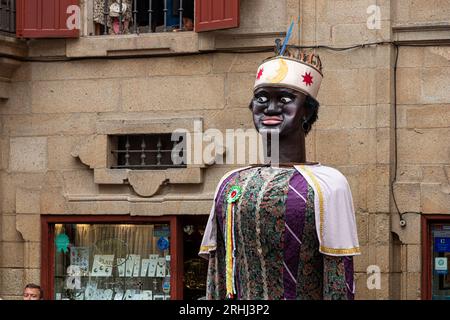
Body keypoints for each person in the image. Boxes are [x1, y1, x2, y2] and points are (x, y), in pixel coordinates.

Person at [199, 46, 360, 300]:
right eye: (262, 98)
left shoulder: (329, 185)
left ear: (306, 110)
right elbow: (218, 272)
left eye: (285, 99)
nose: (271, 108)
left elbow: (338, 277)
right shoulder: (230, 183)